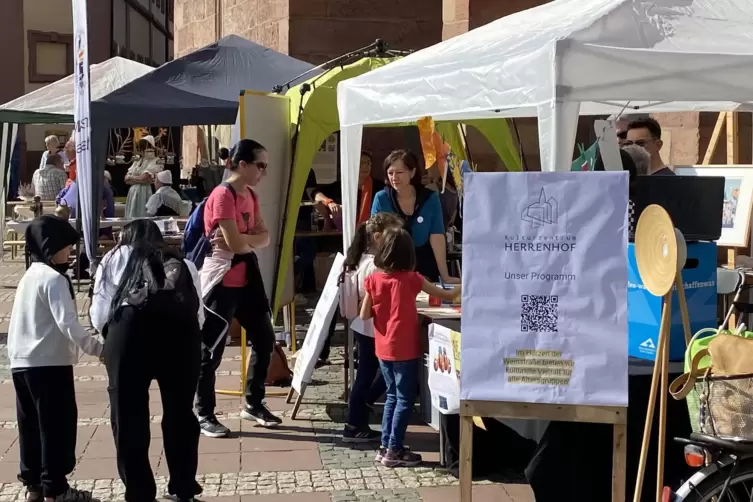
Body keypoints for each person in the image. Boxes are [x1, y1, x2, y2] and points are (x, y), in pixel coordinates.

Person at [90, 220, 204, 502]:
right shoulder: (181, 262)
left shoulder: (114, 257)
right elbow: (197, 310)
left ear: (126, 236)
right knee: (180, 414)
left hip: (129, 333)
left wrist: (109, 337)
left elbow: (100, 311)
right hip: (179, 335)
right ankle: (183, 486)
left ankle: (139, 491)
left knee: (128, 415)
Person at [9, 216, 103, 502]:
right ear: (50, 247)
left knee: (30, 427)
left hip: (20, 361)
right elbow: (69, 324)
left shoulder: (29, 275)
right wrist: (99, 350)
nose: (70, 253)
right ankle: (56, 489)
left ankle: (34, 485)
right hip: (49, 363)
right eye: (66, 247)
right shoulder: (54, 279)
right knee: (56, 427)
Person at [196, 139, 281, 437]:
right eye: (260, 166)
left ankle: (253, 403)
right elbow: (234, 244)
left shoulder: (251, 196)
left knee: (264, 338)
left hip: (247, 278)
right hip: (221, 280)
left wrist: (245, 239)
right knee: (212, 349)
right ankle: (204, 412)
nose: (264, 172)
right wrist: (248, 239)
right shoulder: (223, 194)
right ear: (242, 164)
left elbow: (265, 237)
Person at [360, 227, 460, 467]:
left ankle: (386, 445)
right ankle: (394, 449)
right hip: (405, 347)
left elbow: (363, 314)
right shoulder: (412, 279)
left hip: (383, 346)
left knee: (392, 396)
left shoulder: (373, 280)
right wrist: (463, 288)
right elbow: (445, 295)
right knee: (404, 399)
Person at [341, 212, 403, 443]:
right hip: (371, 326)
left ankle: (357, 417)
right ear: (378, 237)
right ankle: (356, 421)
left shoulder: (363, 259)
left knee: (368, 372)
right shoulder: (375, 265)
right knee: (370, 373)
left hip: (363, 325)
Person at [371, 149, 459, 284]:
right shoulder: (381, 198)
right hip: (392, 269)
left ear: (412, 172)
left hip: (425, 268)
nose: (394, 177)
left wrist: (445, 275)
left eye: (399, 172)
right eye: (390, 173)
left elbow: (437, 236)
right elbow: (374, 238)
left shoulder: (430, 198)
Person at [313, 151, 385, 227]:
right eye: (361, 163)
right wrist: (329, 202)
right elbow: (316, 193)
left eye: (368, 163)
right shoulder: (343, 185)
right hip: (344, 230)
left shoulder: (379, 186)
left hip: (370, 230)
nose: (365, 167)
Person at [125, 136, 162, 218]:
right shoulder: (137, 161)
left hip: (145, 192)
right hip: (133, 192)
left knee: (143, 214)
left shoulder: (156, 160)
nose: (140, 151)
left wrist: (132, 177)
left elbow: (146, 178)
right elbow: (126, 179)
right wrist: (138, 178)